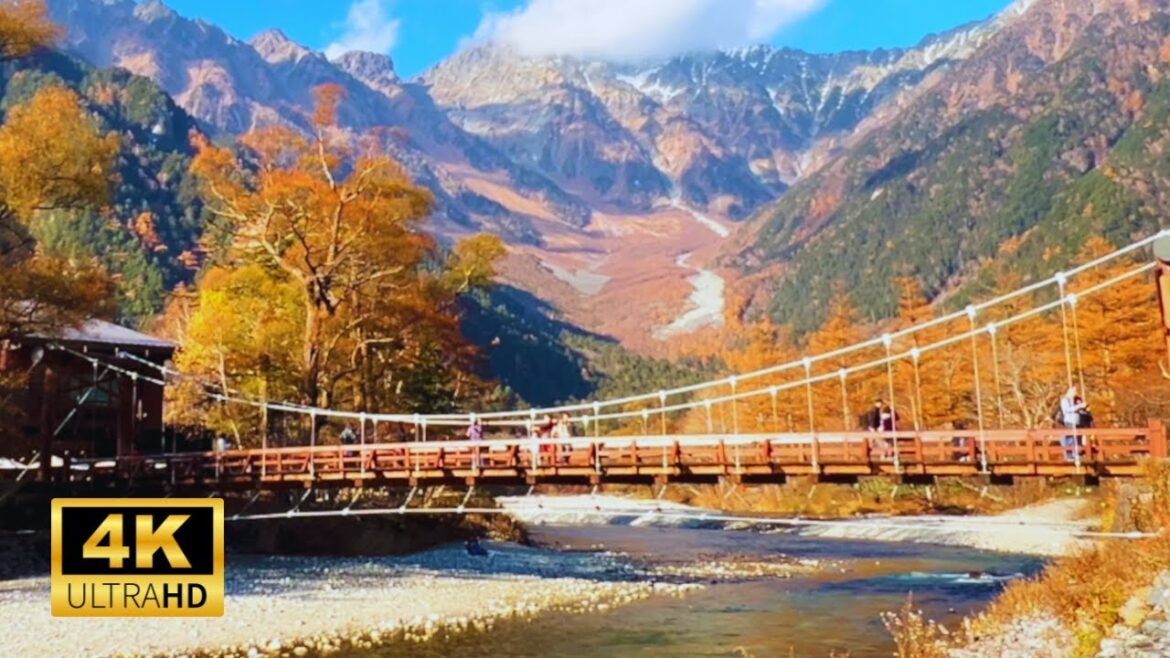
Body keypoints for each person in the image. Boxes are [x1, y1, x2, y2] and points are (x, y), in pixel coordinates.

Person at [1059, 386, 1087, 462]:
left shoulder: (1073, 400)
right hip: (1070, 421)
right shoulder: (1065, 400)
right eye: (1074, 391)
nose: (1075, 393)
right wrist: (1079, 406)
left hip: (1076, 422)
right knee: (1071, 438)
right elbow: (1067, 409)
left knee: (1077, 438)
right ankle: (1070, 455)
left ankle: (1077, 454)